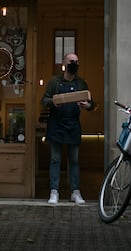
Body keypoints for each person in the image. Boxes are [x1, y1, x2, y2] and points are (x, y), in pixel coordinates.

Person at [41, 53, 95, 205]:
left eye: (77, 62)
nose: (75, 64)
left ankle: (75, 192)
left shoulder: (81, 83)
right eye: (72, 61)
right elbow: (43, 100)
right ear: (64, 63)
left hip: (73, 125)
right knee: (55, 159)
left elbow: (92, 104)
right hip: (56, 125)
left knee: (74, 160)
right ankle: (54, 191)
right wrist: (53, 102)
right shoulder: (54, 82)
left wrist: (87, 105)